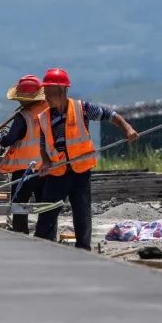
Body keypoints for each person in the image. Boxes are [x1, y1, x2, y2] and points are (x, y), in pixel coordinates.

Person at [34, 68, 139, 251]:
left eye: (50, 93)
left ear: (62, 91)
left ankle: (83, 250)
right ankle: (41, 245)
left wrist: (127, 128)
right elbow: (43, 145)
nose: (46, 98)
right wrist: (46, 162)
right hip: (57, 172)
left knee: (82, 213)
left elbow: (110, 115)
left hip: (80, 172)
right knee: (47, 212)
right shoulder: (44, 118)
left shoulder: (82, 109)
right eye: (45, 93)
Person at [0, 75, 48, 234]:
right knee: (45, 204)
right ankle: (46, 235)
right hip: (48, 166)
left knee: (19, 204)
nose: (19, 102)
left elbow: (8, 139)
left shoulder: (24, 116)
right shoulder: (50, 110)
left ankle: (21, 234)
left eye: (20, 99)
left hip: (25, 169)